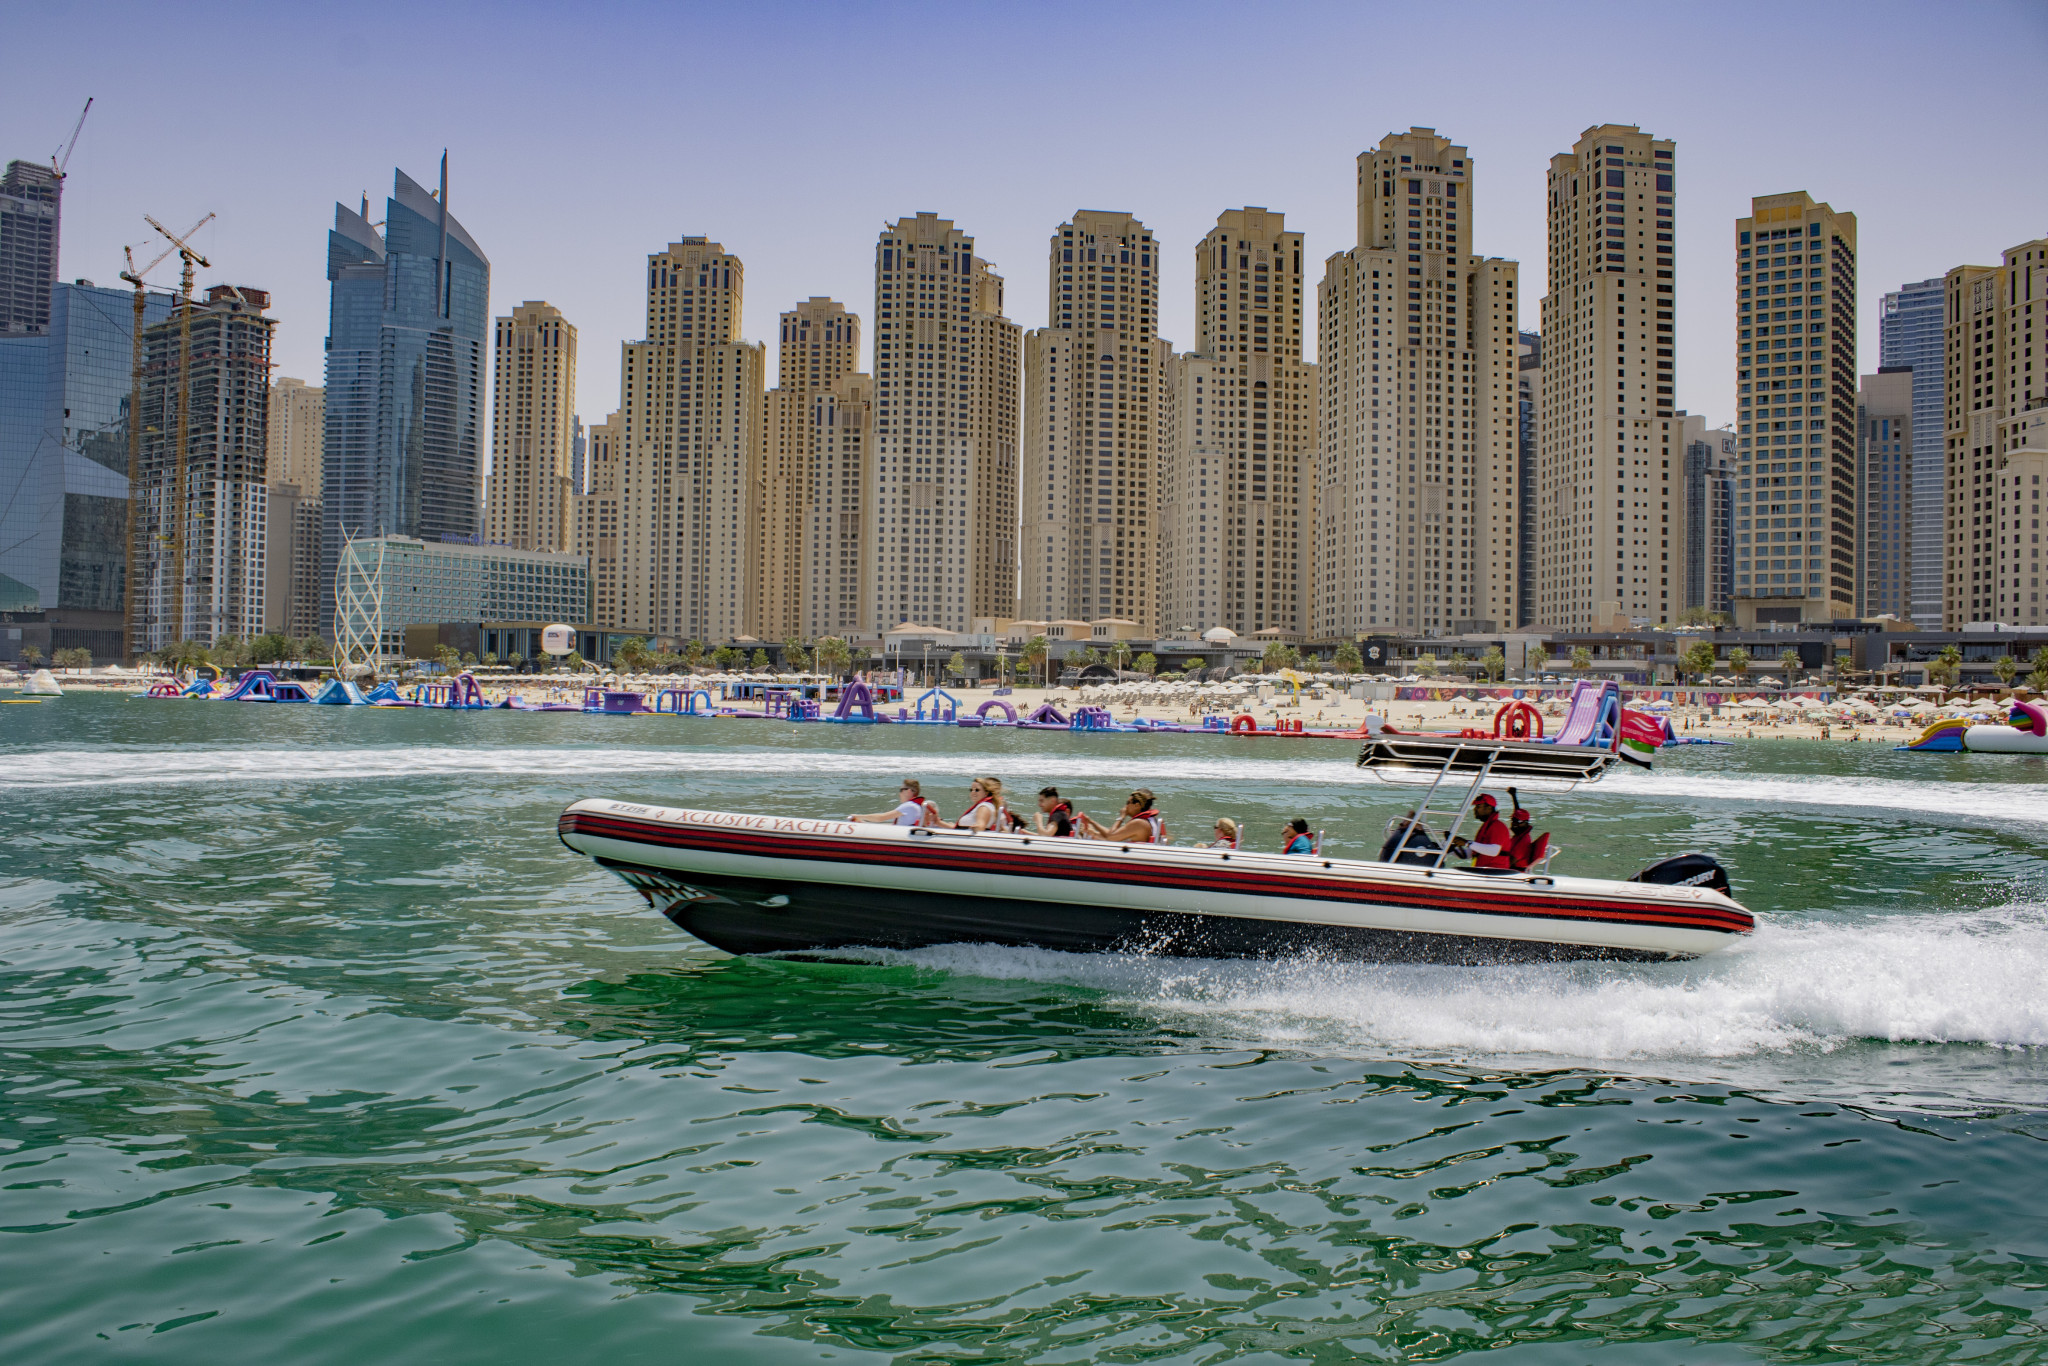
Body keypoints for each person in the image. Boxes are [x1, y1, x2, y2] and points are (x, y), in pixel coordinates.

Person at [1448, 793, 1512, 871]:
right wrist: (1449, 849)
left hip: (1493, 872)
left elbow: (1494, 851)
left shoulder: (1497, 826)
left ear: (1489, 808)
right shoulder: (1487, 826)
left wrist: (1467, 843)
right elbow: (1469, 854)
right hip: (1485, 871)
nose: (1474, 809)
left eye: (1478, 806)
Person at [1081, 788, 1167, 843]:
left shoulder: (1138, 823)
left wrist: (1121, 817)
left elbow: (1110, 838)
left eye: (1128, 803)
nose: (1126, 806)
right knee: (1092, 834)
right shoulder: (1151, 820)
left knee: (1090, 835)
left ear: (1137, 805)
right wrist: (1091, 822)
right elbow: (1112, 835)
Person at [852, 779, 938, 826]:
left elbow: (881, 818)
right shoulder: (917, 806)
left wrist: (858, 816)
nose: (899, 794)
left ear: (908, 791)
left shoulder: (909, 806)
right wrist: (864, 824)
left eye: (901, 790)